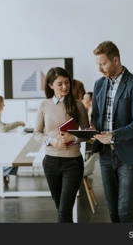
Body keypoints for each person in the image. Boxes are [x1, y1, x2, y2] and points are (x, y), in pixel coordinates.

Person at [91, 41, 133, 223]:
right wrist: (92, 129)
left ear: (115, 60)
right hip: (106, 155)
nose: (100, 69)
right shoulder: (99, 85)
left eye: (103, 64)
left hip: (129, 155)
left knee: (124, 212)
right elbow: (96, 116)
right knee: (113, 212)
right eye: (98, 64)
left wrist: (114, 135)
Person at [34, 67, 89, 222]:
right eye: (60, 84)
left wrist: (73, 137)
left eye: (67, 83)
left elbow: (87, 134)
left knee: (64, 212)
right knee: (61, 212)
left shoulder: (78, 105)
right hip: (51, 162)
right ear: (51, 85)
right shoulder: (44, 105)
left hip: (73, 163)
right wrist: (51, 140)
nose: (65, 87)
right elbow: (37, 133)